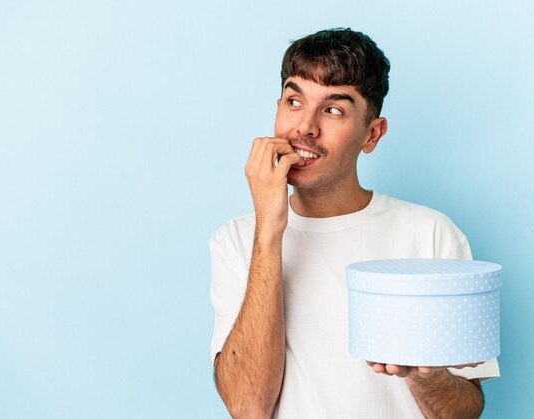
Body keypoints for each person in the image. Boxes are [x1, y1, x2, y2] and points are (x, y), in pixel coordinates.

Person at [209, 28, 500, 418]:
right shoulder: (236, 239)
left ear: (371, 134)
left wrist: (421, 375)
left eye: (333, 110)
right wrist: (269, 231)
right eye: (294, 101)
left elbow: (465, 411)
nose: (305, 128)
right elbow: (247, 408)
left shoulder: (430, 233)